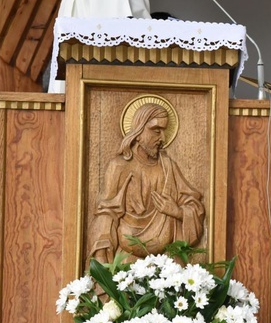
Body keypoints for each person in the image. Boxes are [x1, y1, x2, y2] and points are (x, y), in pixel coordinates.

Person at [87, 103, 205, 264]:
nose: (162, 138)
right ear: (139, 129)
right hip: (126, 262)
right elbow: (106, 213)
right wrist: (101, 262)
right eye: (156, 131)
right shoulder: (119, 167)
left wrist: (176, 211)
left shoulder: (168, 167)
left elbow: (193, 205)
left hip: (168, 265)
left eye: (164, 131)